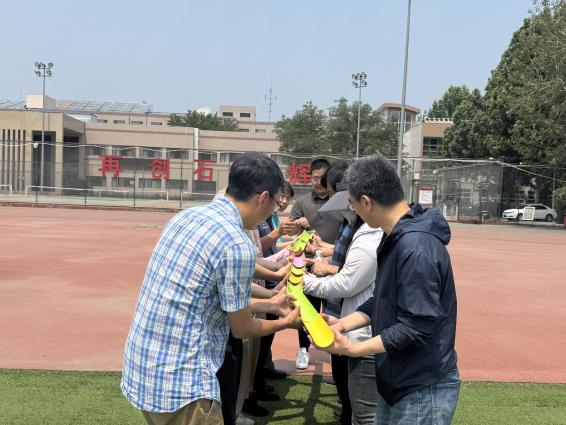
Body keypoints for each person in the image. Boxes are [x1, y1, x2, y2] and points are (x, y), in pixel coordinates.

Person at [121, 152, 300, 425]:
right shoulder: (236, 243)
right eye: (276, 204)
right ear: (263, 198)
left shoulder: (187, 216)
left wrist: (271, 304)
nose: (274, 211)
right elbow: (242, 328)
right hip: (183, 384)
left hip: (145, 368)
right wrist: (286, 322)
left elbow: (205, 295)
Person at [317, 156, 460, 425]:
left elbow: (416, 326)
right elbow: (382, 298)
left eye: (352, 204)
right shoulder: (393, 235)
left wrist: (353, 349)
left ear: (367, 202)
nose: (353, 211)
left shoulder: (416, 246)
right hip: (397, 378)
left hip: (420, 386)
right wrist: (343, 324)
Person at [304, 161, 382, 425]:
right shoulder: (356, 225)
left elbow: (348, 282)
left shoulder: (370, 232)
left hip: (361, 333)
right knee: (352, 396)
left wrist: (306, 282)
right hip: (350, 319)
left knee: (364, 411)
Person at [288, 158, 343, 369]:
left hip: (334, 263)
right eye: (313, 178)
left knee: (332, 311)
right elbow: (291, 231)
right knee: (306, 309)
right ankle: (303, 349)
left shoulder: (338, 202)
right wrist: (297, 224)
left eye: (321, 178)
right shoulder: (302, 202)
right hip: (308, 264)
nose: (317, 182)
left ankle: (334, 351)